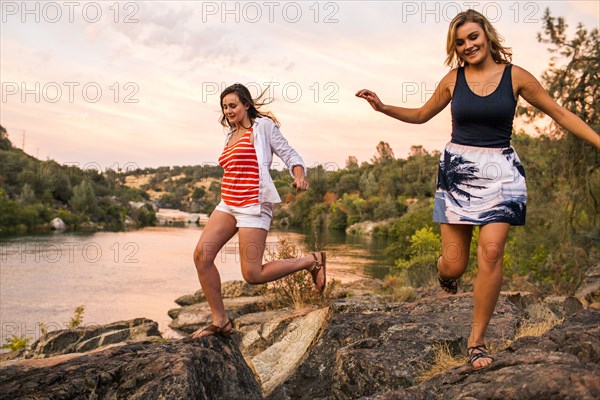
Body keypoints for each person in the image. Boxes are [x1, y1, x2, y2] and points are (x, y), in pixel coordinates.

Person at [356, 9, 600, 370]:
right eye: (460, 42)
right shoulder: (452, 81)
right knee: (456, 264)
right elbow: (422, 115)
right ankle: (445, 274)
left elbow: (560, 114)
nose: (468, 45)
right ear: (454, 48)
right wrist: (383, 107)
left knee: (491, 252)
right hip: (458, 172)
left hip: (502, 173)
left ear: (486, 35)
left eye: (473, 37)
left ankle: (477, 342)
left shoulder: (516, 76)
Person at [191, 83, 326, 338]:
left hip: (253, 205)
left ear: (246, 105)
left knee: (253, 274)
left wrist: (299, 176)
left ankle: (312, 261)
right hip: (228, 203)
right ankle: (221, 321)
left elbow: (290, 154)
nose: (228, 111)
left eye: (233, 105)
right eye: (224, 107)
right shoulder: (229, 135)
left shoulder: (262, 127)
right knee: (201, 256)